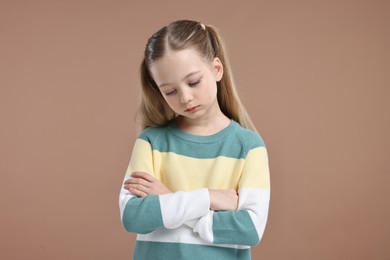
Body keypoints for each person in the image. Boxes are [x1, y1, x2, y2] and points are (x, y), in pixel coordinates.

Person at [119, 19, 270, 260]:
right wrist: (208, 198)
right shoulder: (150, 142)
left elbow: (248, 229)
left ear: (217, 69)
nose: (186, 98)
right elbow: (134, 217)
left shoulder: (248, 147)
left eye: (193, 82)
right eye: (170, 91)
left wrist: (166, 200)